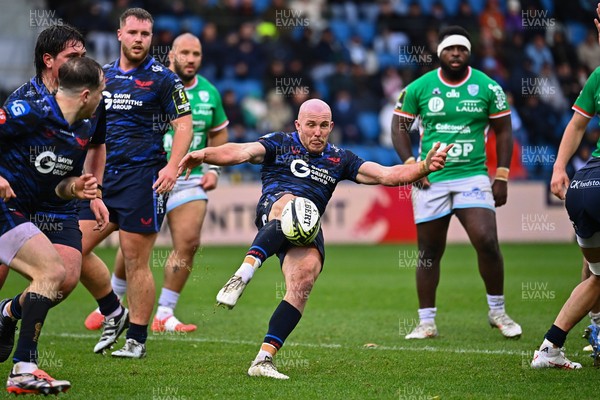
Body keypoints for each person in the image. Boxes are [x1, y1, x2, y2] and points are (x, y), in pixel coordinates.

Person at [178, 98, 452, 379]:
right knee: (290, 204)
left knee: (304, 279)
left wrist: (423, 167)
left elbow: (386, 174)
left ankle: (263, 360)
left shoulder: (341, 159)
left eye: (323, 126)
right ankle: (243, 274)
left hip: (308, 225)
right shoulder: (279, 142)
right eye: (310, 125)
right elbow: (242, 152)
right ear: (298, 125)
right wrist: (206, 154)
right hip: (275, 208)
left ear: (331, 126)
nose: (317, 132)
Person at [84, 32, 229, 333]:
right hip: (144, 174)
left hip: (187, 179)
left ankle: (164, 311)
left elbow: (218, 133)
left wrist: (214, 170)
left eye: (197, 54)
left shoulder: (209, 93)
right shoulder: (153, 81)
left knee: (188, 242)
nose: (191, 59)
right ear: (171, 55)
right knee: (132, 243)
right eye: (185, 53)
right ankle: (111, 302)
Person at [391, 25, 521, 340]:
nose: (456, 54)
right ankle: (427, 323)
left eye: (462, 49)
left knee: (487, 241)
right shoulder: (419, 87)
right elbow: (398, 128)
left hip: (472, 175)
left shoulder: (488, 87)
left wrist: (501, 174)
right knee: (429, 252)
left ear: (469, 53)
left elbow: (504, 131)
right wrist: (413, 167)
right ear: (440, 53)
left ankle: (498, 312)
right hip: (431, 179)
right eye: (450, 49)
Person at [77, 7, 193, 358]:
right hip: (103, 181)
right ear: (120, 35)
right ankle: (114, 311)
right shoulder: (101, 77)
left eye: (145, 34)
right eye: (133, 33)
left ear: (151, 38)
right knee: (70, 251)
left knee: (135, 260)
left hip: (143, 180)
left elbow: (184, 126)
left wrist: (172, 167)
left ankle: (136, 340)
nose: (139, 39)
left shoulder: (163, 78)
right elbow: (90, 132)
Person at [0, 24, 109, 365]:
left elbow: (94, 148)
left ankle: (8, 316)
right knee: (42, 275)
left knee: (63, 278)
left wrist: (86, 189)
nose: (80, 62)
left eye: (82, 56)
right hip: (13, 200)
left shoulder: (90, 103)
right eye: (72, 57)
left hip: (55, 202)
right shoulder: (27, 104)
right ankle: (26, 365)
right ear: (48, 61)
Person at [531, 2, 600, 369]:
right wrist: (558, 166)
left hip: (585, 184)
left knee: (595, 273)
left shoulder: (598, 75)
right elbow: (576, 126)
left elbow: (575, 126)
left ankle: (561, 344)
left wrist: (560, 168)